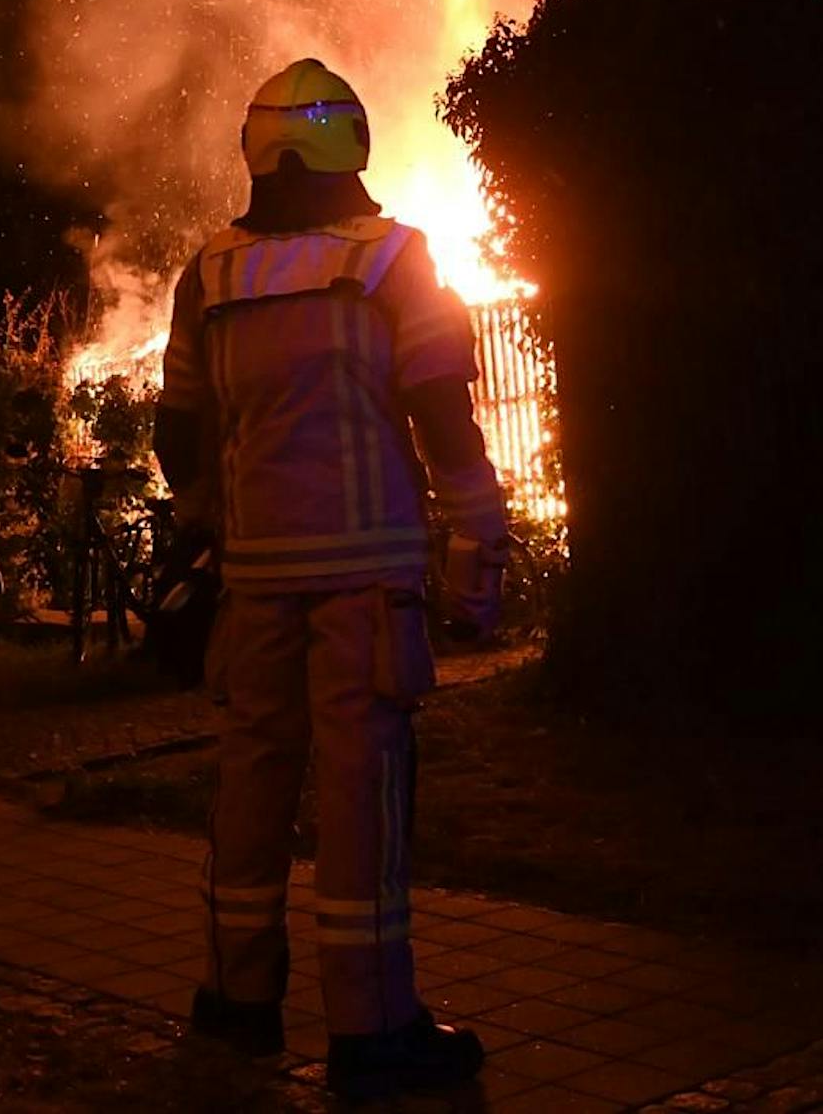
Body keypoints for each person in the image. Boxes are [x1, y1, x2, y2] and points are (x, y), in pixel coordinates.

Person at [152, 58, 508, 1102]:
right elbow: (441, 411)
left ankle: (236, 999)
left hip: (256, 581)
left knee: (250, 784)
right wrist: (477, 534)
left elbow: (176, 431)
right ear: (351, 144)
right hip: (364, 583)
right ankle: (373, 1025)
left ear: (255, 151)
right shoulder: (392, 259)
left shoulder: (209, 273)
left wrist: (212, 519)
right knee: (361, 796)